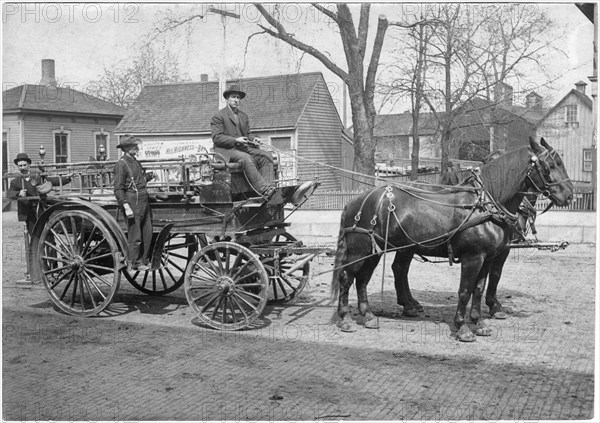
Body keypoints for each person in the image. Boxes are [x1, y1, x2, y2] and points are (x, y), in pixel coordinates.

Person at [211, 84, 275, 197]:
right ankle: (263, 190)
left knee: (267, 156)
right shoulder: (218, 116)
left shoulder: (243, 116)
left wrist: (254, 139)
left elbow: (247, 134)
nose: (236, 100)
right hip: (226, 151)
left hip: (242, 149)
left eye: (238, 98)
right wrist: (236, 140)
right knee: (246, 158)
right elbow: (217, 138)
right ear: (227, 98)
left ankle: (270, 188)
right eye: (233, 97)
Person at [113, 136, 153, 271]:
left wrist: (149, 177)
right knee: (135, 235)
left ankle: (144, 260)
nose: (137, 149)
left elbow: (138, 181)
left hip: (143, 200)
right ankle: (135, 262)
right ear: (126, 149)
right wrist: (125, 205)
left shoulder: (135, 162)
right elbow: (118, 188)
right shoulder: (121, 164)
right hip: (132, 202)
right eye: (134, 147)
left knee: (147, 233)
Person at [7, 152, 72, 235]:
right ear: (17, 166)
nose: (22, 168)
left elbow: (53, 181)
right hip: (28, 212)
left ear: (29, 164)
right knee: (34, 234)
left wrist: (67, 178)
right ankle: (36, 248)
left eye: (24, 165)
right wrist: (18, 193)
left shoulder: (37, 176)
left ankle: (50, 247)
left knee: (47, 233)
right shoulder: (16, 181)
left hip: (41, 208)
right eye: (20, 166)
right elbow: (9, 193)